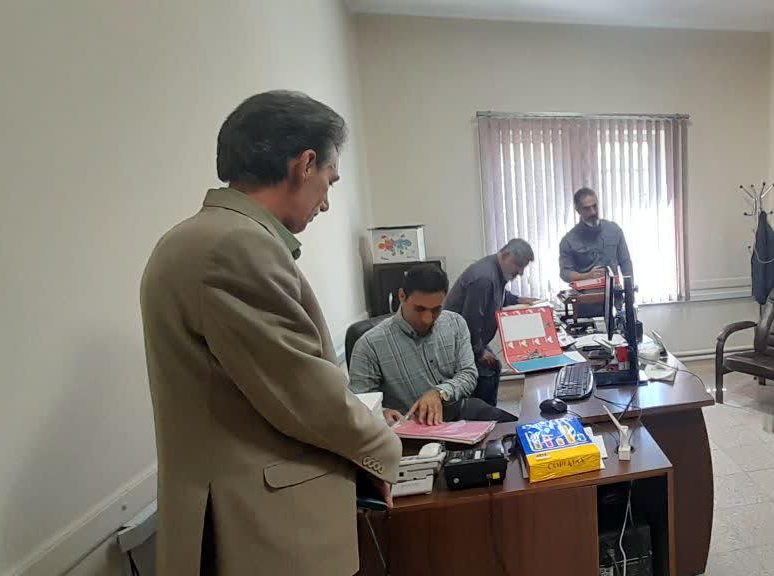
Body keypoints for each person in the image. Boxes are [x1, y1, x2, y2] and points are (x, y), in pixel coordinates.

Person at [140, 90, 402, 575]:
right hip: (264, 531)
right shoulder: (234, 246)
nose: (326, 203)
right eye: (329, 181)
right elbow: (303, 392)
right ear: (305, 164)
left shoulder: (198, 238)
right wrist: (386, 448)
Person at [349, 264, 517, 423]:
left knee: (515, 431)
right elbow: (360, 403)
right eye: (419, 309)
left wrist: (439, 393)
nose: (427, 319)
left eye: (436, 309)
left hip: (459, 413)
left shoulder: (455, 323)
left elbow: (468, 374)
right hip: (413, 426)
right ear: (401, 296)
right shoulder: (369, 345)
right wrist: (382, 413)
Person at [444, 239, 539, 406]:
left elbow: (498, 294)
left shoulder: (495, 270)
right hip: (458, 341)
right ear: (506, 255)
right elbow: (470, 320)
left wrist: (519, 299)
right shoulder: (484, 278)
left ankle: (487, 412)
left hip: (469, 337)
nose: (520, 272)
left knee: (493, 367)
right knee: (488, 371)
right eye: (518, 265)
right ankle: (483, 414)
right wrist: (479, 351)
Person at [558, 187, 633, 282]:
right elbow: (565, 273)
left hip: (614, 290)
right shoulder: (568, 241)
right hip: (587, 290)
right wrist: (586, 276)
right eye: (587, 209)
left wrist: (630, 288)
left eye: (594, 206)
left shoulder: (614, 230)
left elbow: (625, 262)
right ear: (578, 210)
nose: (593, 212)